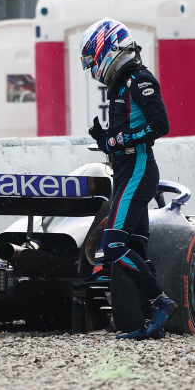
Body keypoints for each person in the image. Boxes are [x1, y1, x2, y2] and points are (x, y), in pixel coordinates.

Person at [81, 18, 175, 341]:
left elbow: (160, 125)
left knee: (114, 244)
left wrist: (119, 140)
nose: (92, 69)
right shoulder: (120, 85)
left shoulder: (138, 79)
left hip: (137, 171)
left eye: (92, 61)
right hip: (127, 172)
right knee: (135, 245)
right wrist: (105, 137)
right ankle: (152, 321)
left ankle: (160, 301)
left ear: (108, 48)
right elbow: (124, 135)